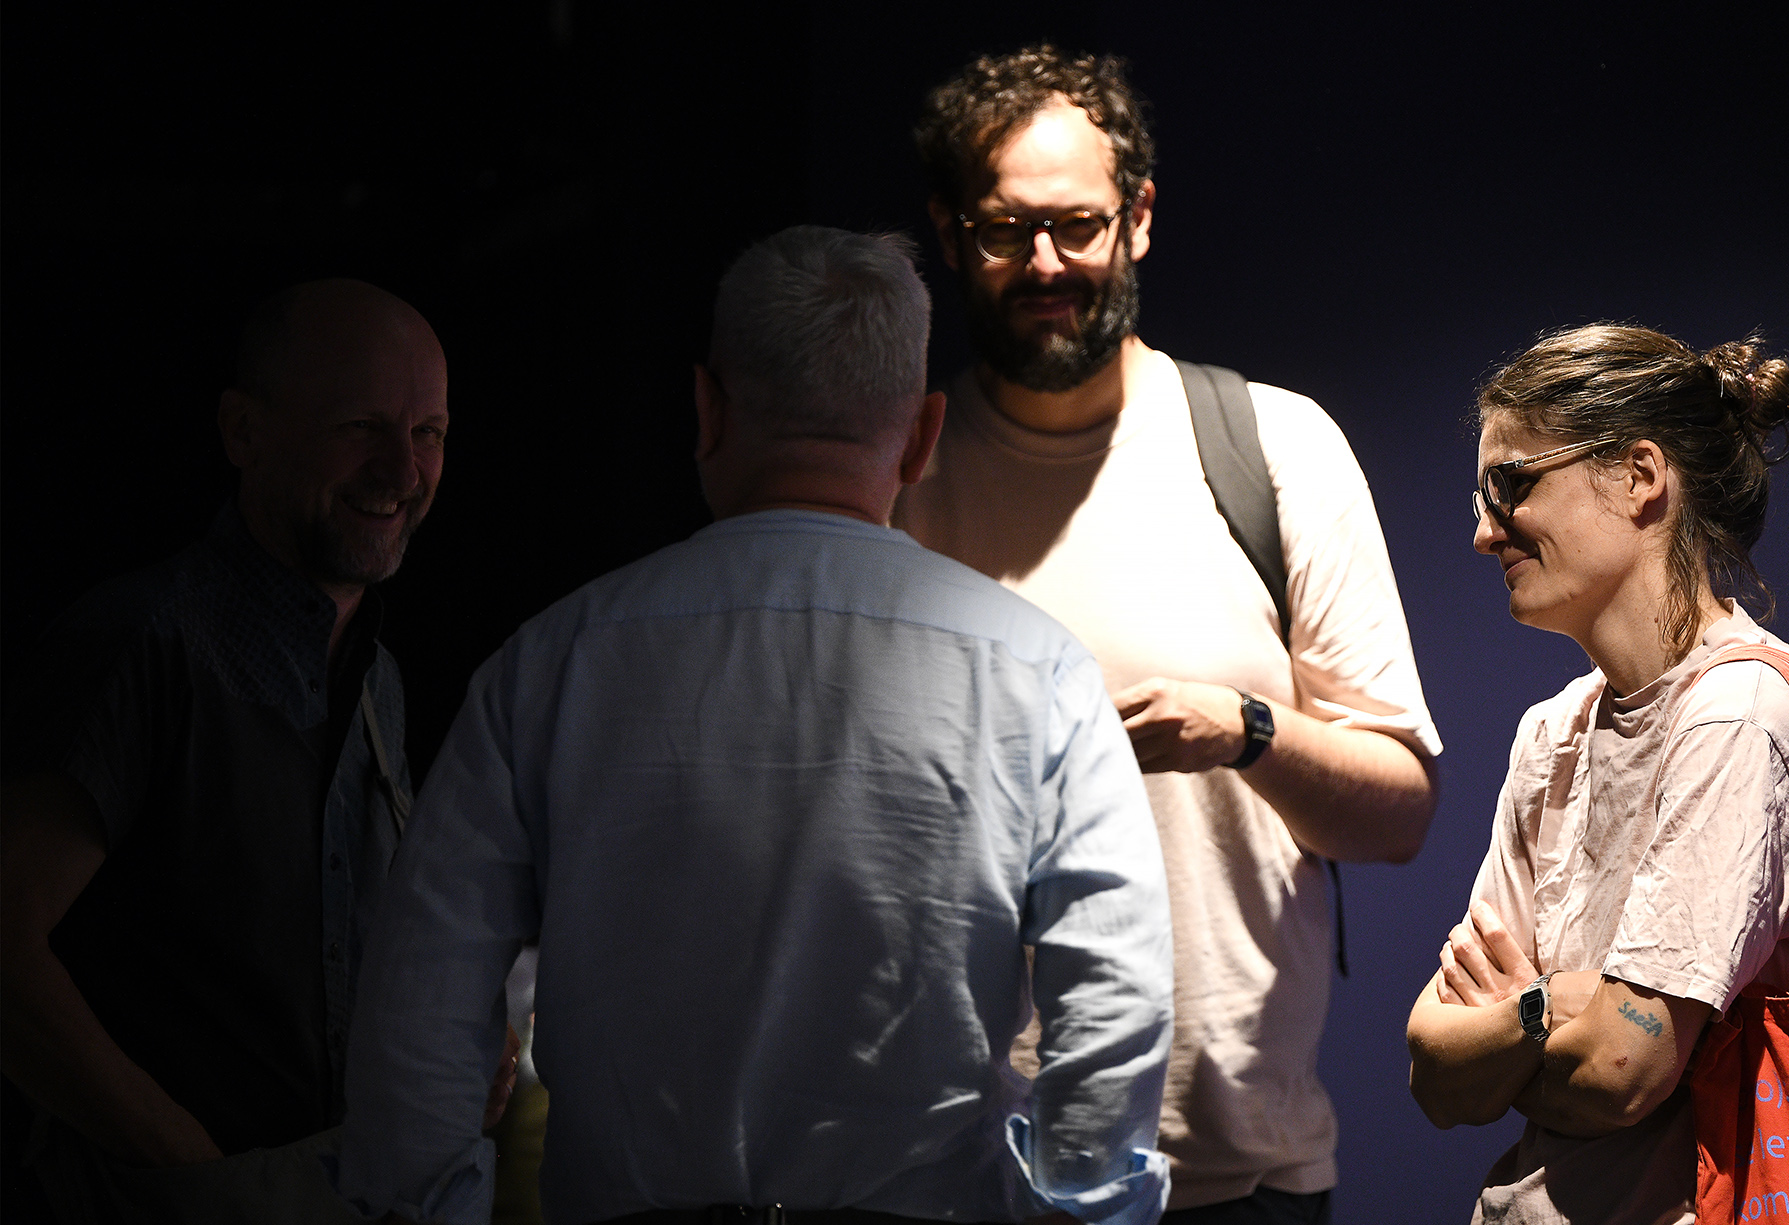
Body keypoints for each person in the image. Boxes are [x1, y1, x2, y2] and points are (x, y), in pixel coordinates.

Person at [331, 226, 1177, 1225]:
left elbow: (419, 1002)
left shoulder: (550, 664)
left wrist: (431, 1208)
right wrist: (1075, 1204)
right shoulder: (1040, 673)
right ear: (922, 435)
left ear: (705, 410)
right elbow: (1117, 988)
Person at [898, 45, 1442, 1222]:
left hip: (1239, 1172)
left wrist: (1245, 730)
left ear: (1137, 218)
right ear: (948, 232)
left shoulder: (1273, 447)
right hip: (965, 1174)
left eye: (1076, 225)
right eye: (1004, 230)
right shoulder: (900, 477)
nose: (1045, 263)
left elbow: (1398, 812)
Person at [0, 278, 507, 1223]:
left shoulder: (380, 680)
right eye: (362, 425)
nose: (403, 468)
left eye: (429, 432)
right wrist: (192, 1168)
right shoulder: (141, 643)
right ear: (242, 430)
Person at [1405, 324, 1789, 1224]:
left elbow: (1620, 1069)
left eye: (1511, 485)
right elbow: (1435, 1068)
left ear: (1639, 475)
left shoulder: (1738, 713)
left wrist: (1513, 1031)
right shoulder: (1552, 732)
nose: (1482, 532)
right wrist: (1551, 1007)